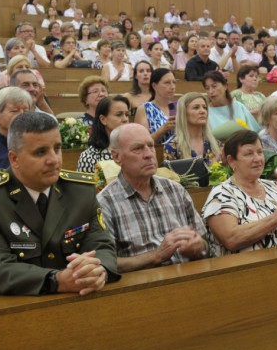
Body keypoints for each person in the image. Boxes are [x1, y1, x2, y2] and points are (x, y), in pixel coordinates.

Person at [0, 110, 118, 302]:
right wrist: (56, 280)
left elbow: (103, 245)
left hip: (73, 300)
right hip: (7, 308)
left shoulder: (80, 191)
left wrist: (97, 270)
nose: (54, 160)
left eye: (57, 148)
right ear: (14, 159)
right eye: (40, 152)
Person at [98, 123, 209, 272]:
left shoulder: (175, 189)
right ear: (117, 157)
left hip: (187, 277)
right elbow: (106, 263)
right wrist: (156, 255)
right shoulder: (105, 202)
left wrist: (198, 246)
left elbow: (205, 243)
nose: (149, 154)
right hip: (144, 288)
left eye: (150, 146)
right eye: (137, 149)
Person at [202, 130, 277, 255]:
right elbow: (231, 239)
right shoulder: (222, 194)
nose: (258, 159)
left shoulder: (275, 187)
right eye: (249, 154)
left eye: (260, 152)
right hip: (249, 270)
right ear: (231, 161)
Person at [163, 92, 220, 165]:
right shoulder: (172, 146)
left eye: (205, 107)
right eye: (196, 107)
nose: (202, 111)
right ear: (184, 113)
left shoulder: (214, 143)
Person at [77, 95, 131, 172]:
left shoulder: (138, 148)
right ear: (103, 119)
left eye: (127, 114)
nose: (125, 119)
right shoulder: (89, 156)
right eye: (119, 114)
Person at [134, 68, 176, 143]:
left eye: (174, 82)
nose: (172, 86)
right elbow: (141, 141)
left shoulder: (174, 106)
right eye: (167, 83)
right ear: (154, 86)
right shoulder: (145, 108)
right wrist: (162, 130)